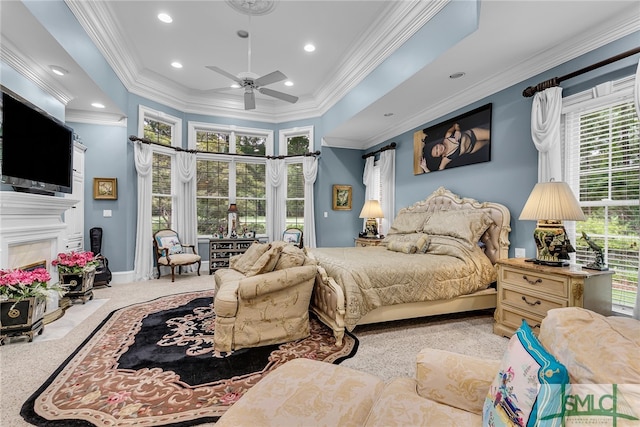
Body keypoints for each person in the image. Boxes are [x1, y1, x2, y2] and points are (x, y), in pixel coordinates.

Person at [419, 123, 490, 172]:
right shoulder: (446, 159)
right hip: (472, 148)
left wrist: (458, 130)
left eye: (437, 147)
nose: (439, 149)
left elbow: (455, 125)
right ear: (439, 156)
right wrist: (425, 168)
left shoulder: (448, 135)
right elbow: (438, 176)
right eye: (437, 153)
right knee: (488, 142)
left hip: (473, 134)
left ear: (437, 144)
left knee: (492, 135)